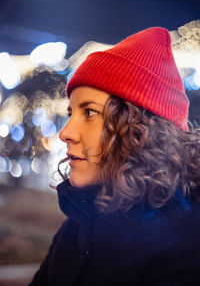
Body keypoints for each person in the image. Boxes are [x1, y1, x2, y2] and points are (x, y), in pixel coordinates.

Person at [29, 27, 200, 286]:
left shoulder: (186, 247)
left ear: (143, 130)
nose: (65, 133)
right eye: (70, 113)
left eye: (89, 113)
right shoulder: (76, 225)